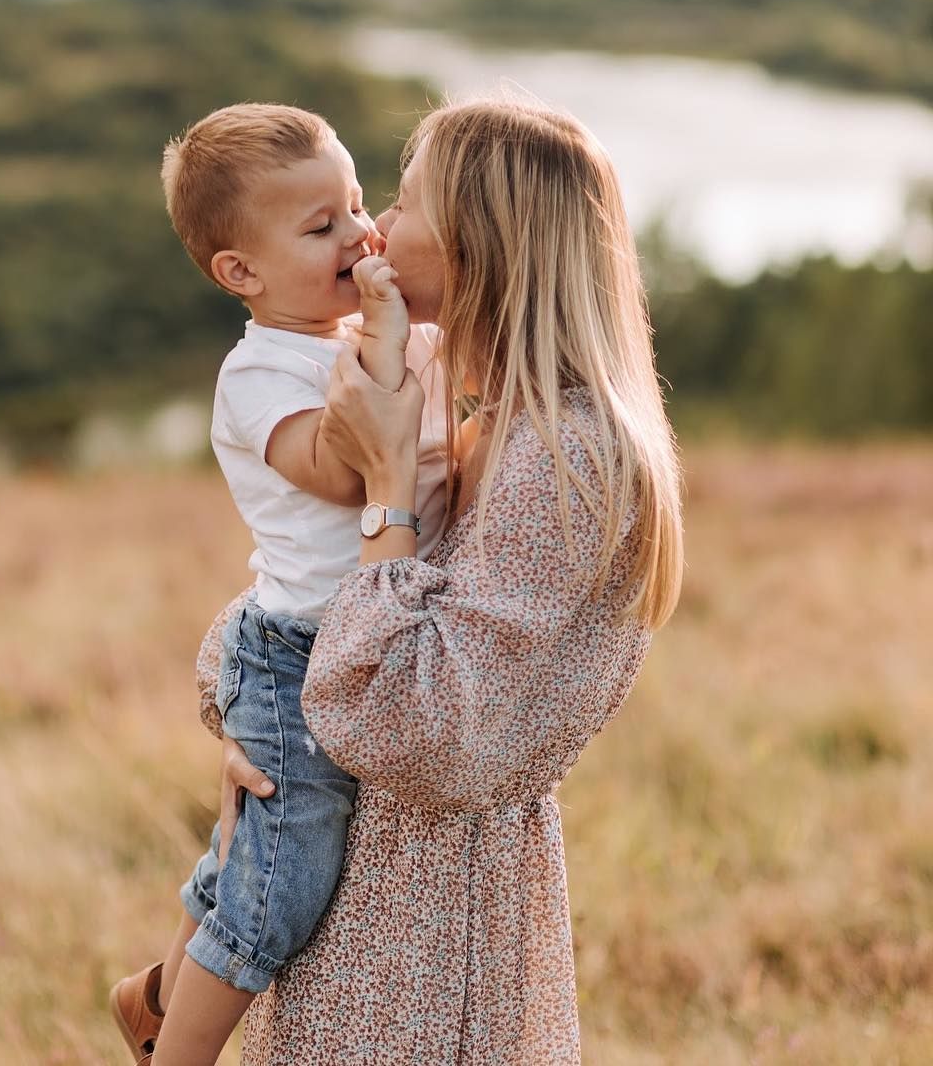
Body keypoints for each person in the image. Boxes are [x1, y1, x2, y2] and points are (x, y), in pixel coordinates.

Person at [144, 93, 684, 1064]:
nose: (375, 230)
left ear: (482, 237)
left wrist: (389, 480)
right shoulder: (488, 420)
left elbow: (404, 727)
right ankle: (163, 1004)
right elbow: (304, 596)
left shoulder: (566, 458)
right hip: (367, 896)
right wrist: (249, 717)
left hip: (433, 931)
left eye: (401, 201)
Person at [110, 103, 476, 1065]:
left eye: (357, 206)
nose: (360, 236)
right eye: (322, 228)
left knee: (264, 847)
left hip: (371, 625)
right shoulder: (261, 373)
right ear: (242, 273)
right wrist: (390, 345)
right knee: (287, 877)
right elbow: (345, 466)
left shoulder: (374, 331)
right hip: (297, 657)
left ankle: (156, 996)